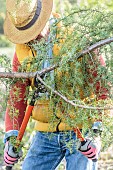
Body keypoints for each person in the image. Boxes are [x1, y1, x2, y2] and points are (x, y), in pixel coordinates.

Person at [3, 0, 108, 170]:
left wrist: (97, 134)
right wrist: (11, 136)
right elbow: (17, 97)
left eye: (34, 32)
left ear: (45, 19)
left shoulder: (77, 40)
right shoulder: (22, 51)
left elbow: (103, 89)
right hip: (45, 134)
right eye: (25, 35)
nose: (30, 39)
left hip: (82, 131)